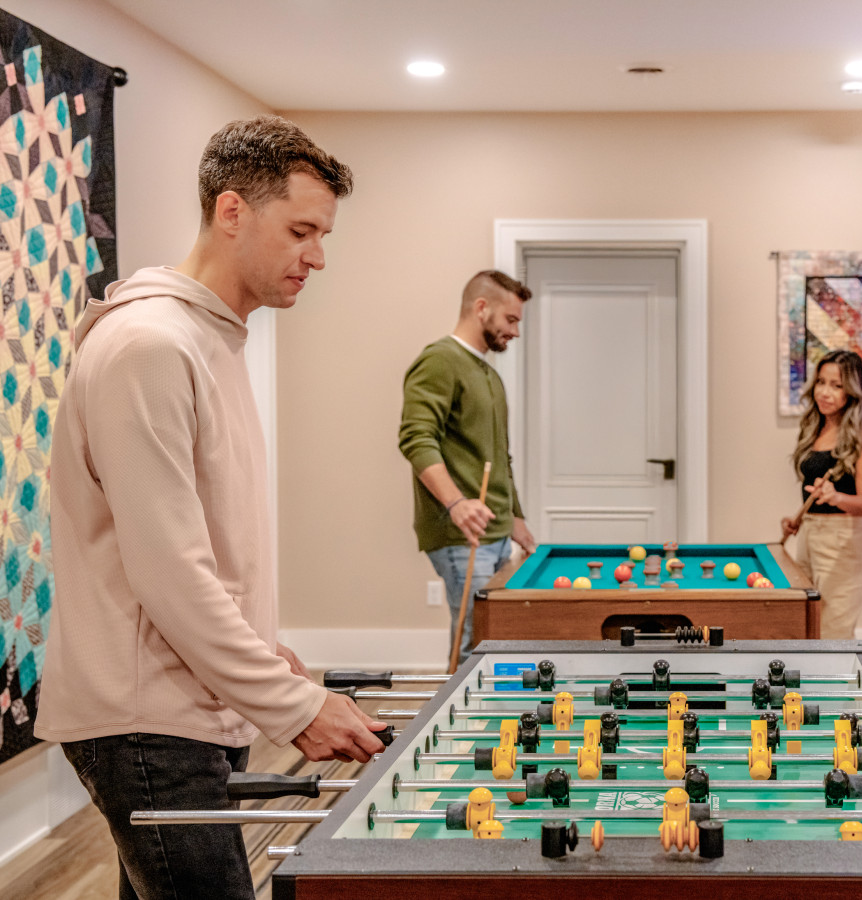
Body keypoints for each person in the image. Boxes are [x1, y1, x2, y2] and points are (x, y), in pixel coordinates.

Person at [35, 116, 389, 900]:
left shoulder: (208, 338)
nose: (317, 256)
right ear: (232, 211)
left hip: (192, 703)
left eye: (322, 235)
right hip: (148, 720)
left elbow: (206, 543)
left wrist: (262, 655)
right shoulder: (151, 346)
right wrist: (294, 705)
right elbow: (169, 572)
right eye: (301, 231)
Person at [399, 270, 537, 664]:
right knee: (475, 643)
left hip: (496, 529)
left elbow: (499, 455)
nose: (515, 331)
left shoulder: (489, 374)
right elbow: (416, 438)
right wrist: (457, 504)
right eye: (510, 319)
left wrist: (514, 517)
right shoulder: (439, 361)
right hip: (462, 533)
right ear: (481, 308)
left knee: (496, 636)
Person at [780, 349, 862, 639]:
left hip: (843, 544)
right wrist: (799, 518)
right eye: (821, 382)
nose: (825, 392)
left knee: (832, 634)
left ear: (852, 391)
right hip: (809, 535)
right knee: (803, 628)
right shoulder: (815, 428)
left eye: (836, 386)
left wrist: (836, 497)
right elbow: (814, 493)